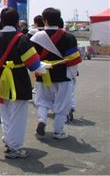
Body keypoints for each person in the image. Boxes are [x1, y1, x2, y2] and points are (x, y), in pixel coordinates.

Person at [0, 7, 47, 158]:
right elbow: (33, 63)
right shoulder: (22, 38)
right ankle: (14, 147)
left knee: (5, 112)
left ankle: (8, 140)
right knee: (18, 114)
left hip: (2, 78)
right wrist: (43, 67)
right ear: (17, 21)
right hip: (18, 78)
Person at [31, 8, 81, 140]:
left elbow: (32, 58)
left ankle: (42, 120)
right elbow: (74, 60)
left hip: (43, 73)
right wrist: (73, 76)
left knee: (42, 101)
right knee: (62, 104)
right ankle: (58, 131)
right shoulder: (68, 37)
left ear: (44, 20)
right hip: (63, 75)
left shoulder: (35, 37)